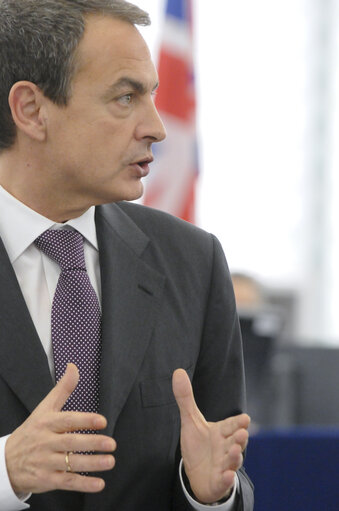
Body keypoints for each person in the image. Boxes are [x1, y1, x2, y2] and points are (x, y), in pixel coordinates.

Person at [0, 1, 254, 509]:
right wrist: (6, 471)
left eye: (153, 96)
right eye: (124, 97)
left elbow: (226, 471)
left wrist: (208, 496)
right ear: (31, 109)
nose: (157, 128)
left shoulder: (193, 262)